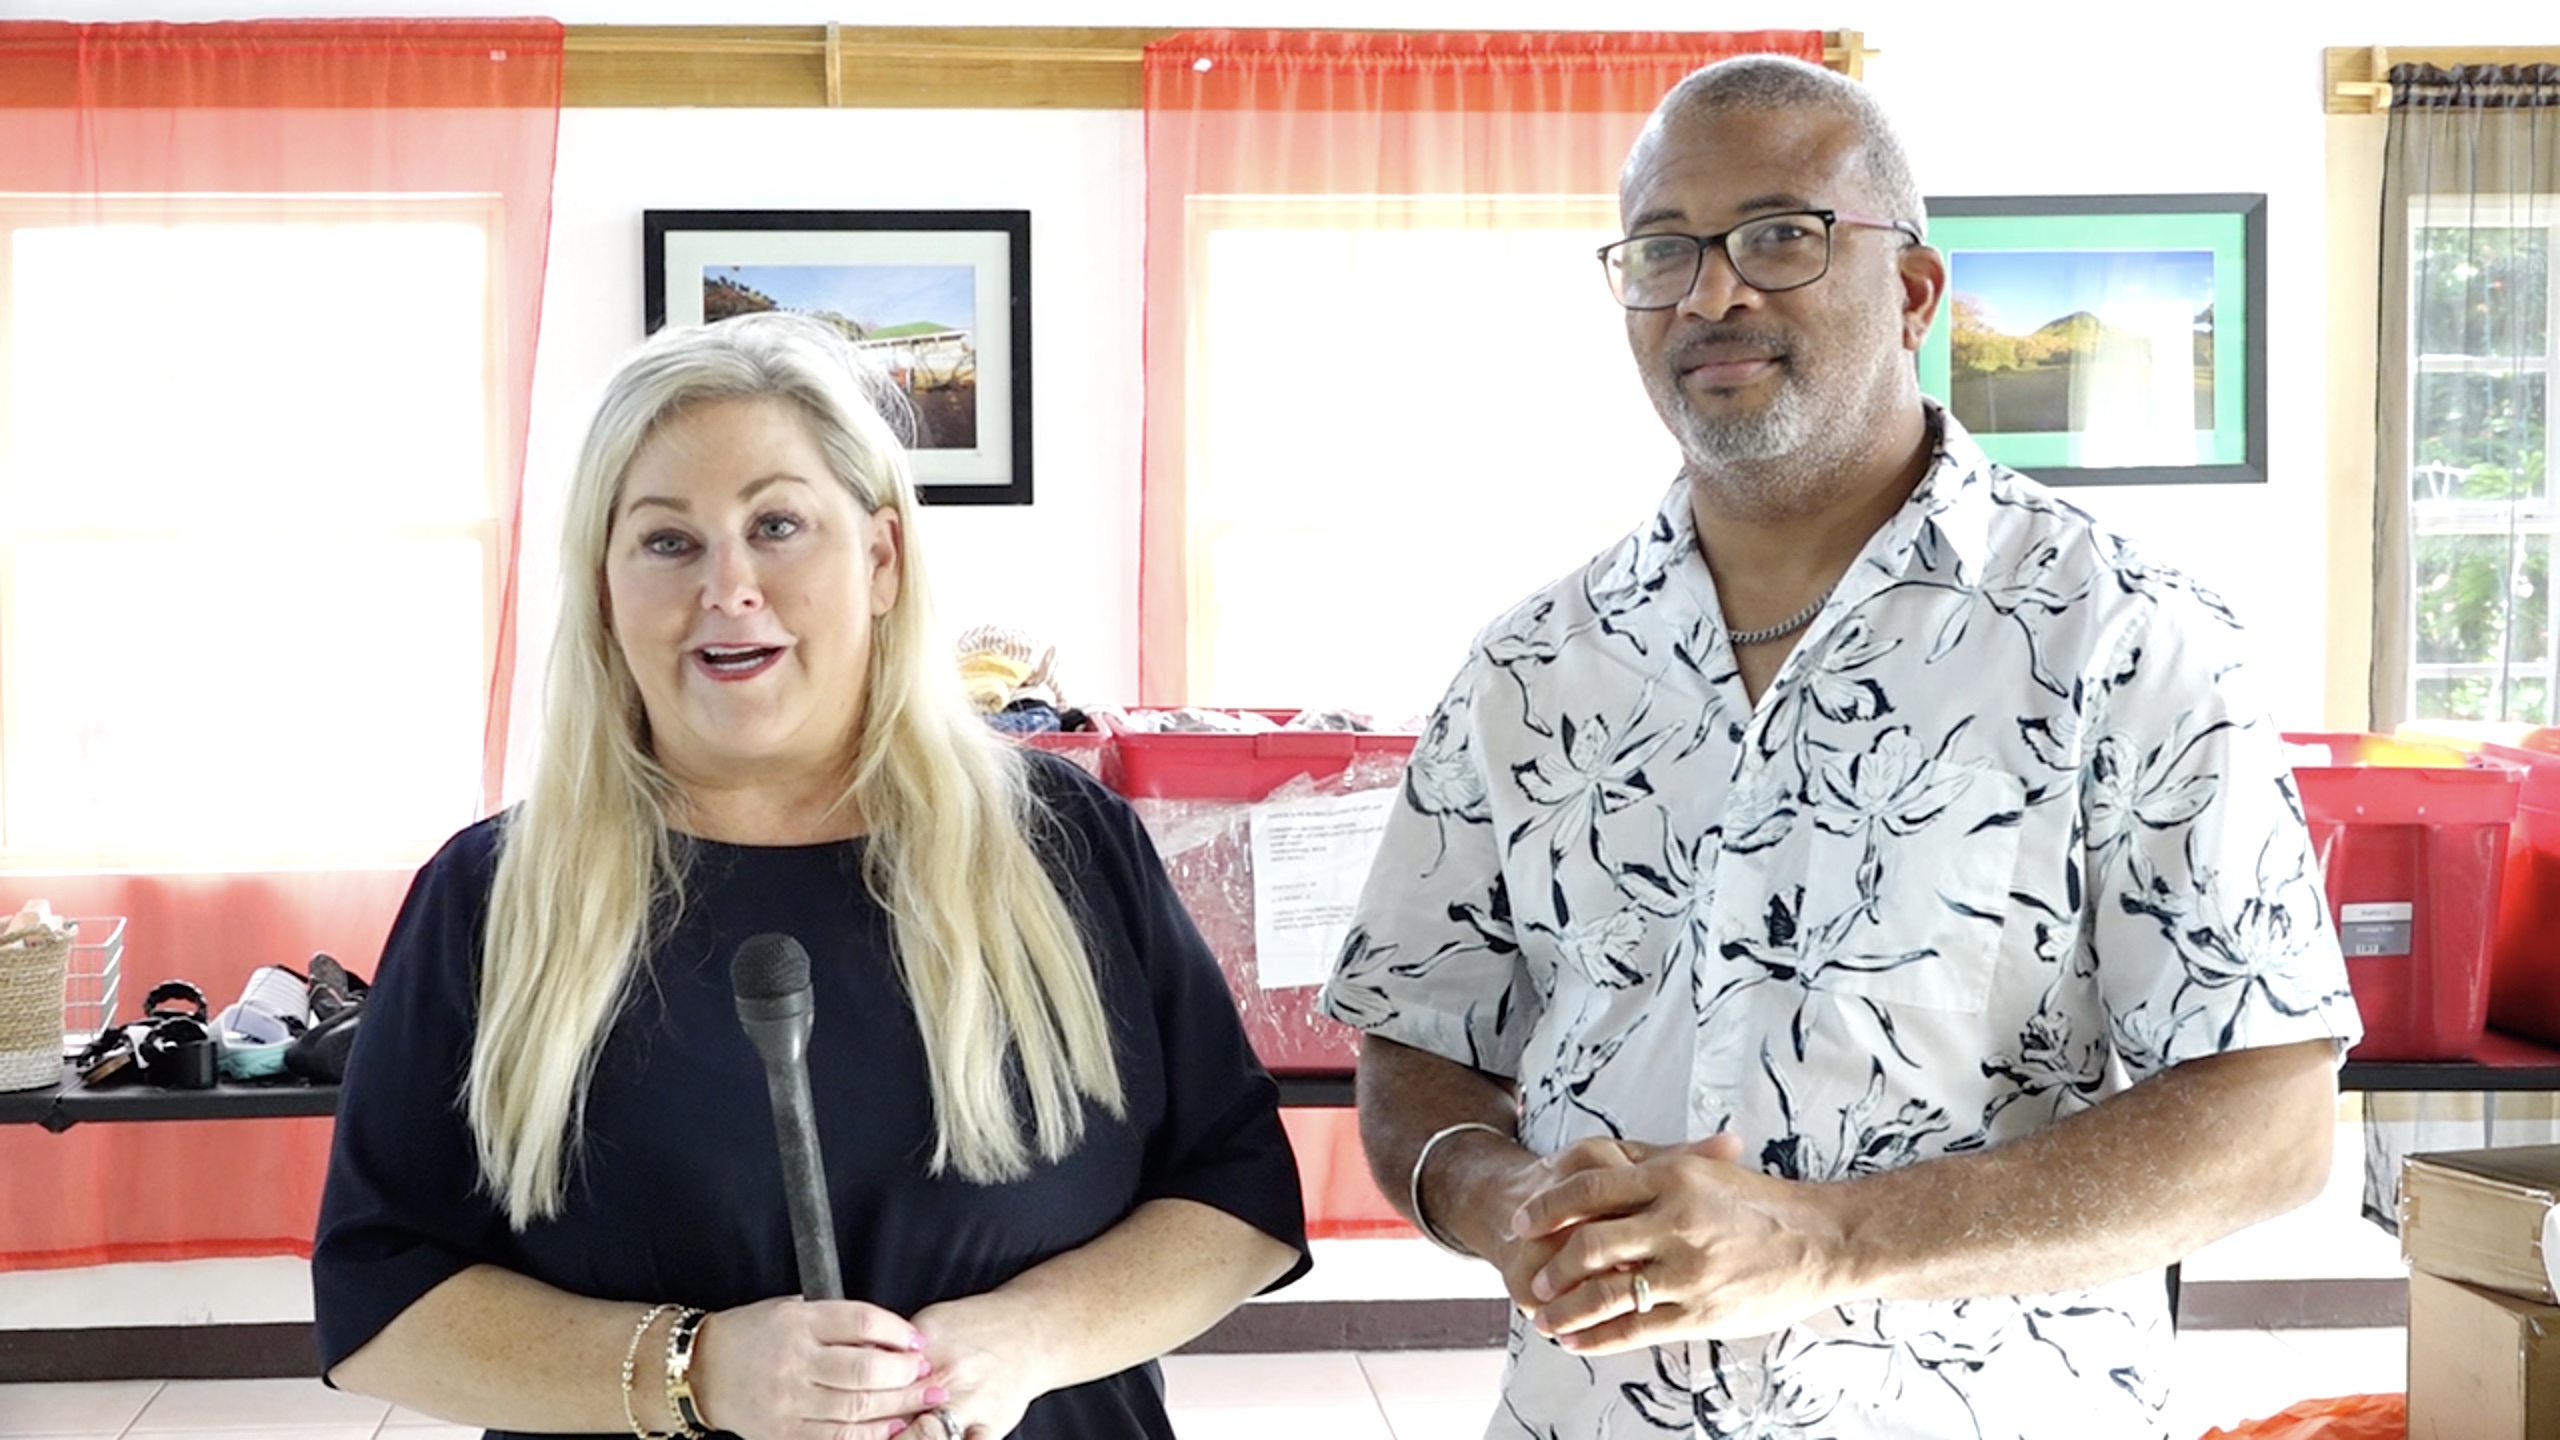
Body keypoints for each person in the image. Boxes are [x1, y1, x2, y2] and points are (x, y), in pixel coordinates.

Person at [1320, 54, 2360, 1439]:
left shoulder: (2125, 637)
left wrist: (1825, 1242)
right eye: (1663, 250)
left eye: (1778, 235)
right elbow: (1413, 1047)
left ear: (1914, 291)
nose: (1711, 294)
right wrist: (1499, 1196)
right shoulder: (1527, 667)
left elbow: (2271, 1121)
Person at [314, 311, 1308, 1440]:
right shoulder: (491, 895)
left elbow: (1237, 1197)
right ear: (602, 587)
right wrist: (691, 1371)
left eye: (777, 525)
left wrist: (1031, 1339)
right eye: (667, 541)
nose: (728, 587)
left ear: (880, 560)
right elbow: (380, 1301)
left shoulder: (1067, 845)